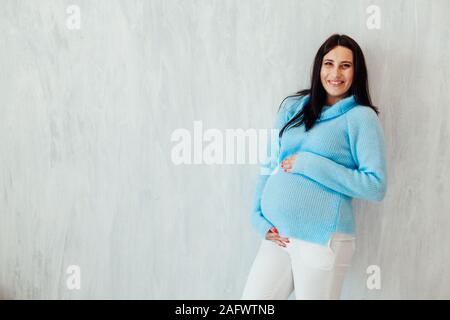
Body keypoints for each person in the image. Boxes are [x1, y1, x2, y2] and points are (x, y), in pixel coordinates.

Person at [241, 34, 388, 300]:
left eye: (345, 65)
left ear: (357, 71)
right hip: (278, 235)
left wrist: (311, 164)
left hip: (321, 240)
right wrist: (257, 215)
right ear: (319, 66)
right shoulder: (294, 107)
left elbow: (375, 185)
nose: (335, 73)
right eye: (329, 63)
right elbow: (269, 163)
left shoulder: (361, 118)